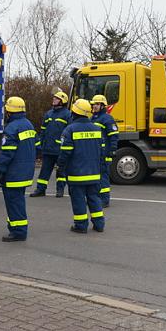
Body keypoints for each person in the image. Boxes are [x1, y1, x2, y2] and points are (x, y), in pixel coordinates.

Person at [58, 99, 105, 233]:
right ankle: (99, 224)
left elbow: (65, 153)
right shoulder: (97, 128)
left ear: (74, 112)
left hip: (76, 174)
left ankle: (81, 225)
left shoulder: (70, 129)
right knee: (94, 198)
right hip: (94, 173)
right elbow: (102, 152)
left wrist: (60, 168)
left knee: (78, 200)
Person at [0, 96, 36, 242]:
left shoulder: (11, 128)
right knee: (18, 201)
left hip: (14, 173)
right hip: (25, 172)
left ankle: (18, 232)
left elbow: (7, 154)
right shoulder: (29, 124)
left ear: (9, 112)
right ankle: (16, 228)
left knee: (14, 203)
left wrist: (0, 172)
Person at [30, 91, 70, 198]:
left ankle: (60, 190)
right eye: (54, 98)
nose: (54, 100)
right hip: (48, 148)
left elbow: (69, 133)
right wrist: (41, 144)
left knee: (61, 171)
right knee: (44, 171)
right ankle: (40, 189)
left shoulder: (67, 114)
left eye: (56, 98)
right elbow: (43, 130)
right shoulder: (49, 113)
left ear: (62, 101)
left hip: (60, 149)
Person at [91, 94, 118, 207]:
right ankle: (97, 198)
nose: (94, 106)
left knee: (103, 177)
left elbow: (113, 136)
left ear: (102, 105)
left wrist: (112, 150)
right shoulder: (93, 118)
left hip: (104, 153)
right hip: (95, 153)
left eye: (97, 104)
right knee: (96, 176)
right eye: (94, 104)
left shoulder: (107, 118)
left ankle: (104, 200)